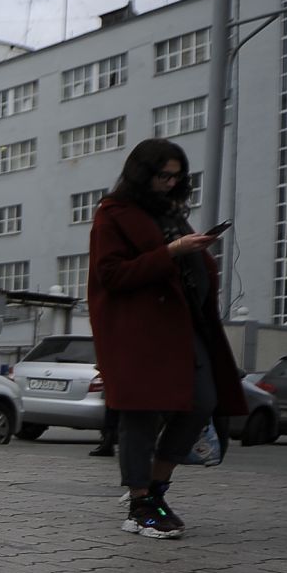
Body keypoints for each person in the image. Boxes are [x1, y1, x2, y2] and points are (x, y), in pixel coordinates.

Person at [88, 138, 243, 539]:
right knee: (140, 411)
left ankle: (156, 487)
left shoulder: (172, 213)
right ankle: (141, 503)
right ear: (142, 173)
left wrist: (196, 253)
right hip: (140, 331)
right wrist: (173, 250)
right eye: (163, 175)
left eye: (177, 177)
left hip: (186, 325)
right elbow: (111, 275)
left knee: (203, 401)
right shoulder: (113, 213)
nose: (171, 183)